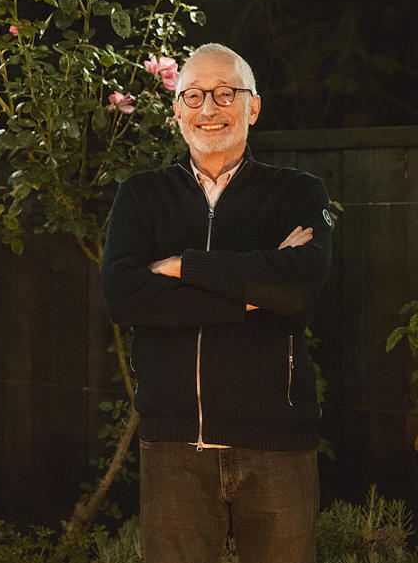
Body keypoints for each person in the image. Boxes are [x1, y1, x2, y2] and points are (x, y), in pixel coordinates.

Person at [101, 43, 332, 563]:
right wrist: (250, 297)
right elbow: (124, 295)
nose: (209, 109)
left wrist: (184, 266)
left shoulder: (296, 192)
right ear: (176, 109)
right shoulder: (140, 196)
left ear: (253, 106)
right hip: (174, 447)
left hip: (278, 444)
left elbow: (297, 287)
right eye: (195, 95)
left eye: (226, 94)